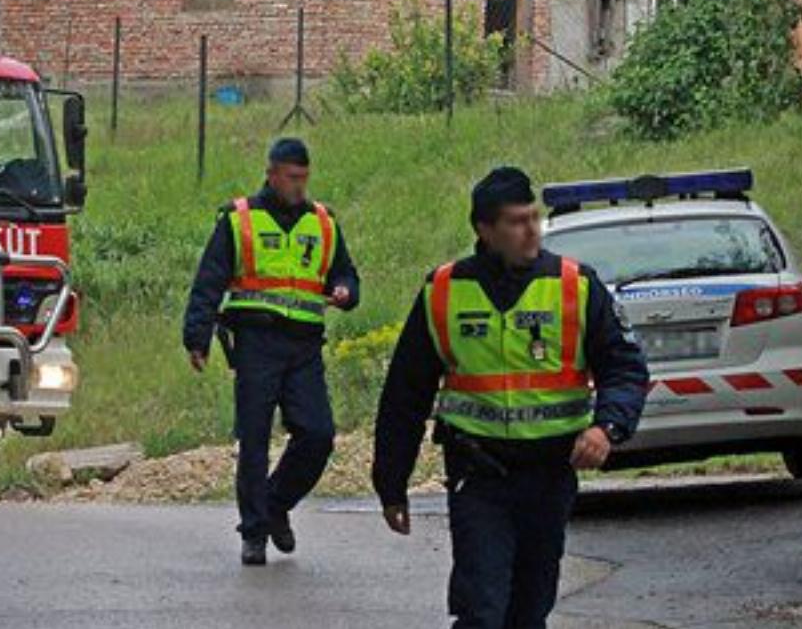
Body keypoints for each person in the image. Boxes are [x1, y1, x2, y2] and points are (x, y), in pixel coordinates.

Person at [372, 166, 648, 629]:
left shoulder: (574, 286)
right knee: (483, 607)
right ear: (485, 230)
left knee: (529, 609)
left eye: (534, 218)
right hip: (479, 475)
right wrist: (391, 483)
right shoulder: (443, 292)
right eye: (517, 222)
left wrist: (607, 427)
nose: (531, 231)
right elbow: (405, 394)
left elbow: (625, 367)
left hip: (550, 475)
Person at [182, 138, 360, 566]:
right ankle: (255, 532)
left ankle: (276, 503)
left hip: (303, 346)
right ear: (272, 173)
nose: (299, 186)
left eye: (304, 178)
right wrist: (197, 336)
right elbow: (209, 280)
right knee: (255, 440)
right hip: (256, 344)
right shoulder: (239, 219)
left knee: (318, 434)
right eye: (292, 177)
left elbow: (347, 274)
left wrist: (345, 292)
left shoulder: (323, 223)